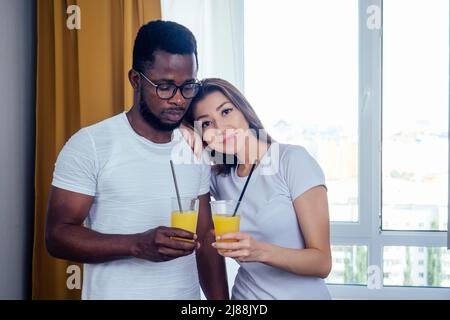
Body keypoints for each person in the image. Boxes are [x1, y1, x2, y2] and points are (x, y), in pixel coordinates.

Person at [45, 21, 228, 300]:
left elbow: (205, 238)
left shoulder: (195, 148)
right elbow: (57, 237)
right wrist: (136, 245)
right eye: (165, 87)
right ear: (135, 80)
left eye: (188, 86)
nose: (179, 100)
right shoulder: (91, 144)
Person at [183, 78, 332, 299]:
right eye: (206, 124)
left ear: (243, 109)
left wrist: (259, 251)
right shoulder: (218, 178)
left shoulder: (291, 161)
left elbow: (322, 263)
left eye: (225, 112)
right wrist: (180, 128)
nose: (220, 128)